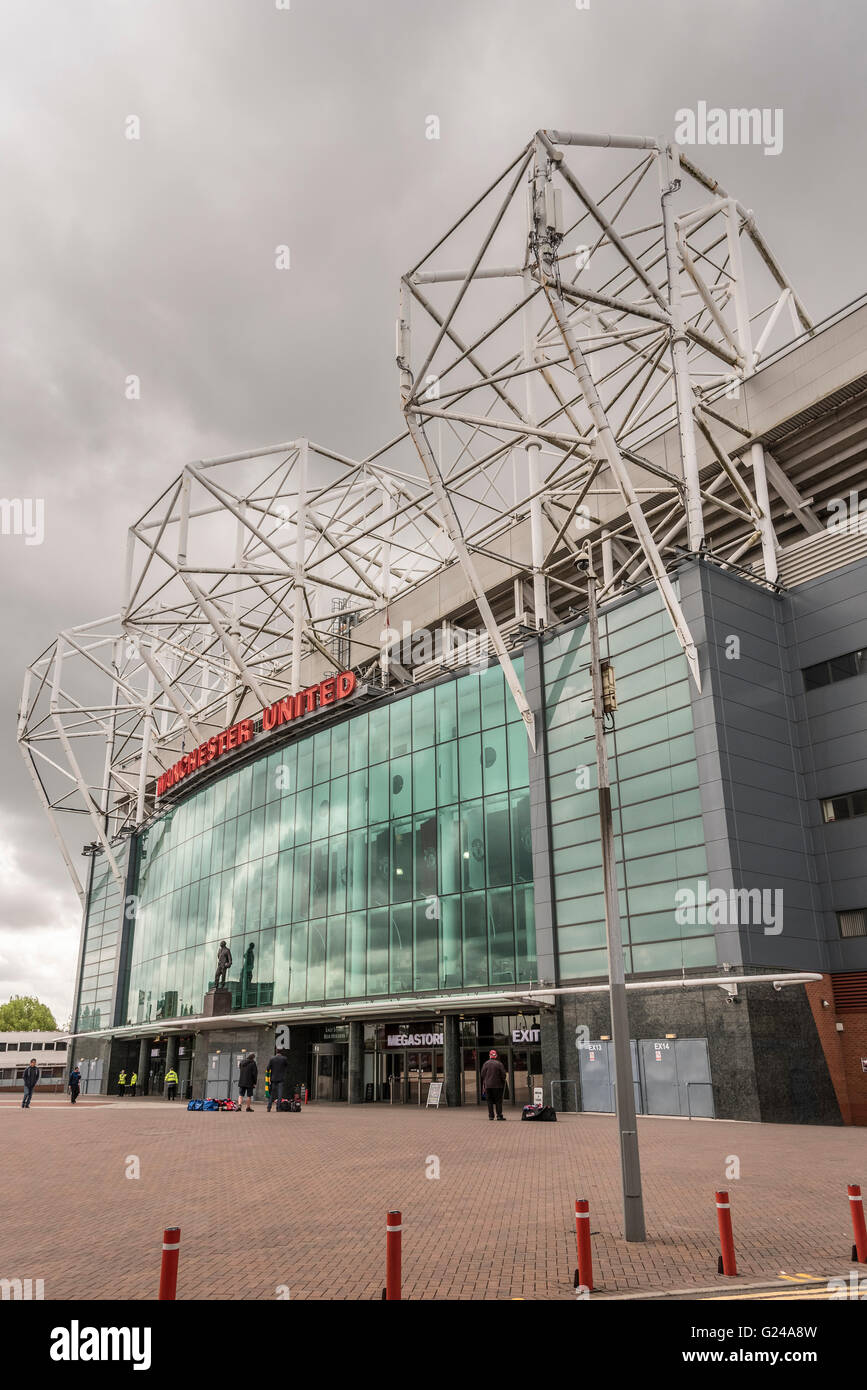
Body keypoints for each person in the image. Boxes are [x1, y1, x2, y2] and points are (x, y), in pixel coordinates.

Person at [480, 1049, 507, 1121]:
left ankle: (491, 1116)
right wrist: (502, 1080)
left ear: (489, 1056)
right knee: (498, 1101)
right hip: (498, 1086)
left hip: (488, 1086)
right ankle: (499, 1116)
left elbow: (482, 1074)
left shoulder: (486, 1064)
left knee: (489, 1101)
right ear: (496, 1056)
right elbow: (503, 1075)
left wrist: (487, 1079)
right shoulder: (499, 1064)